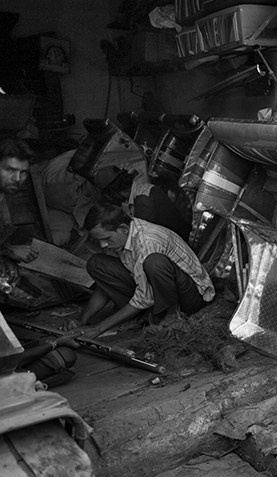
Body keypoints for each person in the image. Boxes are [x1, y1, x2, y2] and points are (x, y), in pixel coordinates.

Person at [71, 203, 214, 339]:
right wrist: (81, 320)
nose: (103, 245)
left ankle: (172, 317)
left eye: (107, 238)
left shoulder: (147, 241)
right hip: (157, 291)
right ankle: (143, 317)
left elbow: (144, 298)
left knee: (155, 262)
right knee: (97, 263)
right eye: (99, 241)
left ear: (123, 229)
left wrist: (98, 328)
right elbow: (105, 287)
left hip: (190, 296)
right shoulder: (123, 238)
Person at [0, 139, 39, 265]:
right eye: (10, 170)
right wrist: (8, 250)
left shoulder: (7, 198)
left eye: (23, 173)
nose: (17, 179)